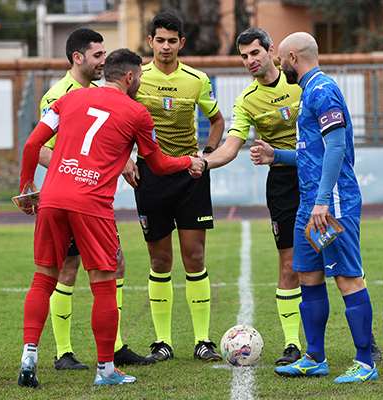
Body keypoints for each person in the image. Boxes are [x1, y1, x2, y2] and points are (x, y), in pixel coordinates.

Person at [16, 48, 205, 387]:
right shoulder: (137, 112)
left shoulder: (69, 99)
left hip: (52, 198)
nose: (141, 82)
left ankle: (29, 355)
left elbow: (32, 144)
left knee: (43, 278)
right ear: (130, 77)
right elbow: (159, 164)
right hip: (91, 204)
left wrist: (27, 185)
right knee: (104, 283)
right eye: (140, 77)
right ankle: (105, 369)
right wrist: (188, 162)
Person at [251, 32, 378, 383]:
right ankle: (314, 357)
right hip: (310, 204)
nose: (277, 65)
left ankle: (365, 362)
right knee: (306, 274)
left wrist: (323, 200)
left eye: (280, 60)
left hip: (331, 203)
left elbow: (336, 148)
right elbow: (314, 152)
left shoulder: (322, 91)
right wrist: (276, 155)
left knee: (347, 278)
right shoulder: (309, 91)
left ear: (292, 57)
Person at [28, 28, 154, 376]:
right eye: (97, 55)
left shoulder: (97, 93)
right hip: (78, 194)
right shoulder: (60, 94)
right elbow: (41, 148)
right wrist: (84, 171)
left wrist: (118, 159)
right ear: (77, 58)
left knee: (116, 264)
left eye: (105, 55)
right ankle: (65, 351)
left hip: (86, 194)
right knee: (67, 270)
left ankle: (112, 347)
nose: (103, 60)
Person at [122, 12, 225, 362]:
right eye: (160, 40)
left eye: (172, 40)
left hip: (190, 177)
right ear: (150, 42)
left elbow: (217, 120)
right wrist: (125, 159)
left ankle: (203, 341)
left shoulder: (197, 80)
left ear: (182, 43)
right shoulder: (135, 79)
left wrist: (206, 155)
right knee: (160, 259)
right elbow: (118, 121)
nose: (166, 46)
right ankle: (162, 342)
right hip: (150, 177)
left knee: (194, 258)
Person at [201, 27, 304, 366]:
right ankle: (293, 344)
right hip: (283, 183)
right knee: (288, 263)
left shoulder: (300, 82)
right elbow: (232, 145)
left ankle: (367, 339)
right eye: (244, 56)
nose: (250, 61)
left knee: (341, 259)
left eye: (255, 53)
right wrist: (202, 162)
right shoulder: (246, 100)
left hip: (318, 176)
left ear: (272, 51)